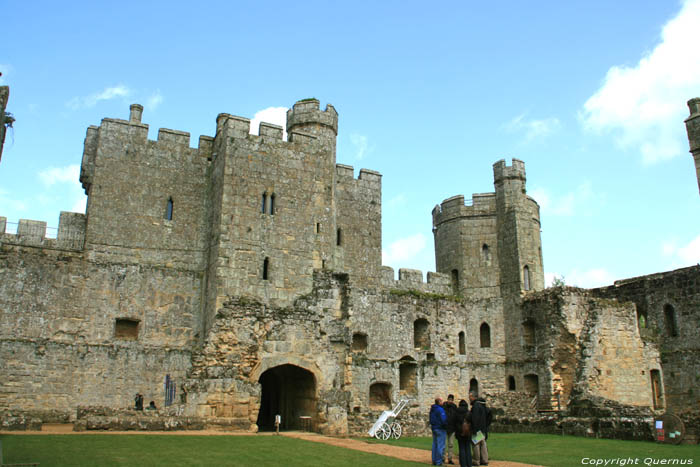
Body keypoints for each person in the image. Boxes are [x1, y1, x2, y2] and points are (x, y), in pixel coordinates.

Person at [469, 392, 492, 466]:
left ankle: (477, 460)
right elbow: (489, 415)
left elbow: (475, 418)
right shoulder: (483, 405)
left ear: (473, 397)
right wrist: (486, 425)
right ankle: (485, 460)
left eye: (470, 397)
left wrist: (474, 429)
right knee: (483, 444)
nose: (469, 398)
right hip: (483, 428)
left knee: (476, 444)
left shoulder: (476, 406)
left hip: (477, 429)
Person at [452, 399, 473, 467]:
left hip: (459, 432)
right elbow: (471, 422)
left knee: (461, 449)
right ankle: (469, 464)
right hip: (467, 433)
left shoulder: (456, 412)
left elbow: (454, 422)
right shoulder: (468, 412)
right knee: (468, 448)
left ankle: (463, 464)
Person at [429, 396, 448, 466]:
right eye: (441, 401)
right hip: (440, 428)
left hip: (434, 428)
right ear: (439, 402)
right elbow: (443, 420)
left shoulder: (432, 409)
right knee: (440, 445)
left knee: (435, 445)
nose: (442, 402)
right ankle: (439, 461)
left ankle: (434, 460)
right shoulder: (440, 410)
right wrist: (446, 425)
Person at [443, 394, 458, 464]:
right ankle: (443, 457)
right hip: (445, 427)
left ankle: (450, 458)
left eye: (451, 400)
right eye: (449, 399)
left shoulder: (454, 407)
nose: (450, 401)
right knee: (444, 444)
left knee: (451, 444)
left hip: (452, 428)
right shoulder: (444, 406)